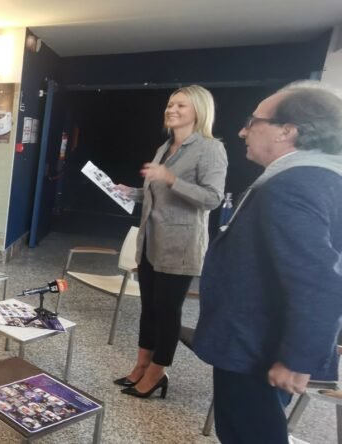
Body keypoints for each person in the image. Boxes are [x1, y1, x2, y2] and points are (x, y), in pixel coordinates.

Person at [193, 82, 342, 443]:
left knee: (250, 433)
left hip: (256, 346)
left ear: (287, 131)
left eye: (254, 121)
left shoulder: (293, 185)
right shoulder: (320, 178)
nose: (244, 131)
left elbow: (319, 279)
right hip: (262, 341)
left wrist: (296, 358)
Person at [113, 85, 228, 398]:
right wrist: (131, 193)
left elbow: (213, 198)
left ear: (199, 111)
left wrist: (172, 179)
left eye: (181, 106)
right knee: (148, 307)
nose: (172, 110)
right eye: (170, 104)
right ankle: (140, 366)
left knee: (167, 310)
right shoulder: (165, 147)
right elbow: (156, 194)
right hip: (150, 242)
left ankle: (157, 372)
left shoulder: (209, 148)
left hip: (181, 246)